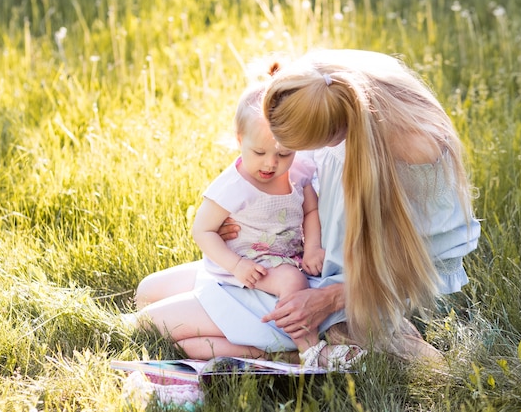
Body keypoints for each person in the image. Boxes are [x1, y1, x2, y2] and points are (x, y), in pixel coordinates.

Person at [133, 48, 480, 366]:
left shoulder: (415, 150)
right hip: (282, 259)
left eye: (289, 150)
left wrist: (331, 298)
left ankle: (312, 346)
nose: (280, 157)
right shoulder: (322, 84)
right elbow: (279, 175)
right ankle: (295, 344)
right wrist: (246, 215)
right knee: (147, 292)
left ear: (333, 133)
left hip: (322, 287)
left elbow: (426, 266)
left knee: (146, 326)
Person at [134, 80, 365, 369]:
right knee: (146, 300)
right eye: (259, 153)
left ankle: (309, 351)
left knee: (291, 280)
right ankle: (287, 351)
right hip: (241, 267)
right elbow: (202, 230)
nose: (271, 164)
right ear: (239, 138)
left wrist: (313, 248)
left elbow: (310, 209)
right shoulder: (234, 186)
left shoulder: (298, 170)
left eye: (283, 154)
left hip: (279, 264)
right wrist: (236, 265)